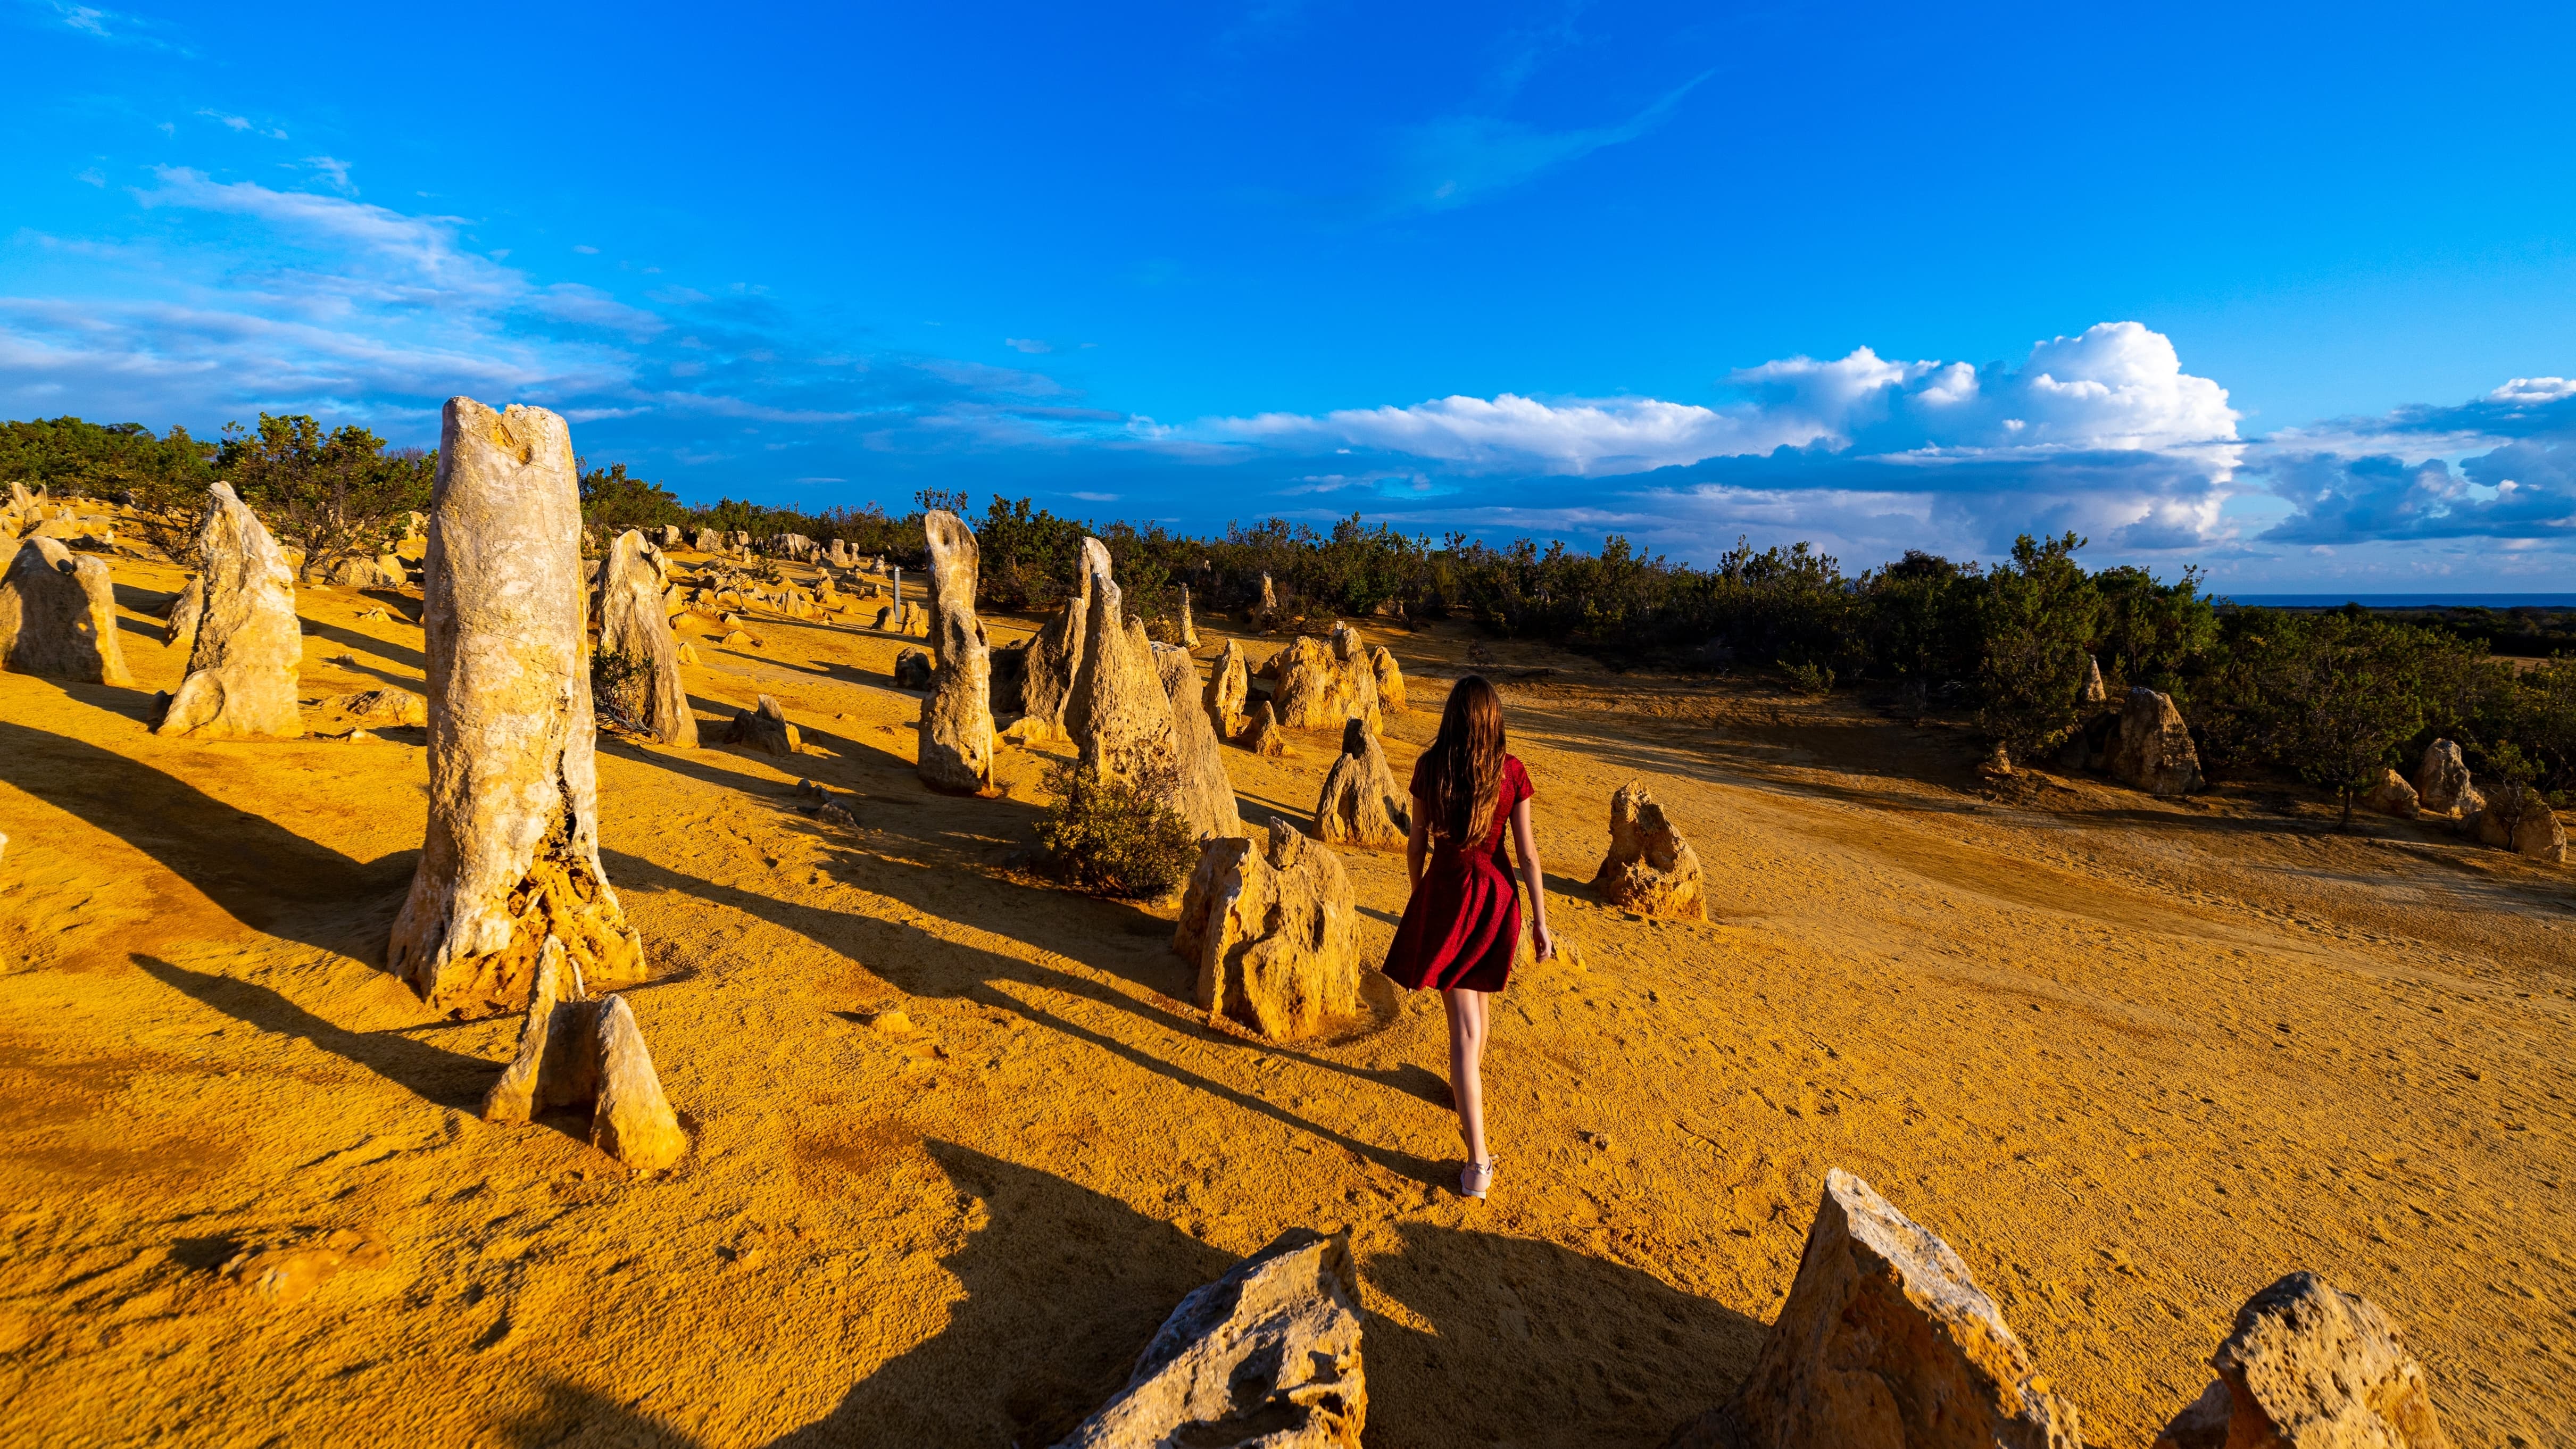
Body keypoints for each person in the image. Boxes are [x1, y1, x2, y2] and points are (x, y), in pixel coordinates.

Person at [1380, 674, 1554, 1200]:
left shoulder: (1430, 768)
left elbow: (1415, 846)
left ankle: (1477, 1162)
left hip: (1452, 895)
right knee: (1476, 1012)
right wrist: (1541, 922)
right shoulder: (1512, 772)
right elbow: (1527, 855)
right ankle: (1466, 1092)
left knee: (1463, 1028)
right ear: (1493, 719)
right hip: (1497, 898)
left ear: (1453, 717)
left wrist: (1422, 897)